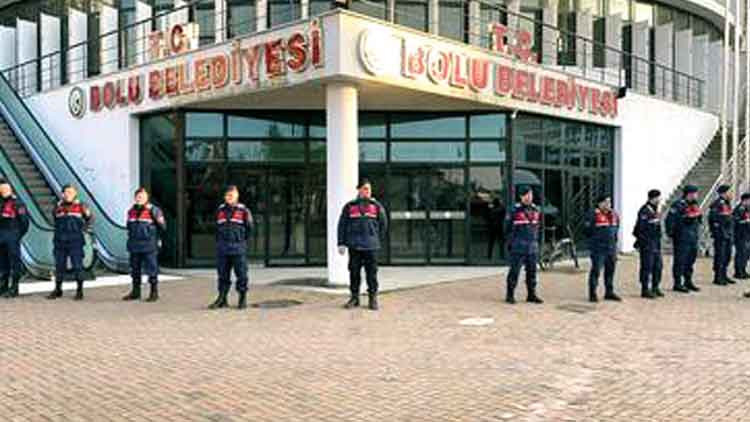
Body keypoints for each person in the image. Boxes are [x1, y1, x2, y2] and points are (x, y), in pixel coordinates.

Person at [337, 178, 388, 310]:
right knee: (354, 273)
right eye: (365, 188)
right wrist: (341, 243)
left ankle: (373, 298)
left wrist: (376, 239)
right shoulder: (350, 206)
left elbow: (383, 224)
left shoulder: (376, 206)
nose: (368, 191)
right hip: (355, 246)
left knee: (372, 274)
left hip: (371, 246)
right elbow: (342, 225)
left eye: (369, 189)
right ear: (359, 190)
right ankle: (354, 298)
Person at [209, 185, 254, 310]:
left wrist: (242, 242)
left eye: (232, 195)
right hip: (223, 248)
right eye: (227, 195)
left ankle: (242, 298)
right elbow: (216, 228)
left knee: (242, 274)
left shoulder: (243, 211)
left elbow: (249, 228)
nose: (229, 197)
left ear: (237, 196)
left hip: (238, 248)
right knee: (222, 275)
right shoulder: (220, 210)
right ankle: (222, 299)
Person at [48, 185, 93, 300]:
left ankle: (79, 290)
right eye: (66, 192)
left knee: (77, 266)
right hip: (60, 241)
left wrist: (82, 230)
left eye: (71, 192)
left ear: (75, 194)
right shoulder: (57, 206)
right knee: (59, 266)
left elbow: (90, 219)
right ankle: (58, 289)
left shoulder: (82, 206)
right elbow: (54, 219)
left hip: (75, 241)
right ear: (63, 194)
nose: (68, 194)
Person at [122, 188, 166, 302]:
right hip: (134, 245)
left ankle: (154, 292)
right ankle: (135, 292)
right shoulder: (131, 211)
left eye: (142, 196)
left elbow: (162, 226)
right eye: (138, 197)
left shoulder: (154, 210)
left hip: (149, 245)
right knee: (135, 269)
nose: (139, 199)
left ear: (147, 198)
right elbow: (129, 227)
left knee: (152, 269)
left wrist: (157, 240)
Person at [504, 185, 543, 304]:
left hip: (532, 247)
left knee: (532, 272)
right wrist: (511, 243)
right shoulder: (514, 210)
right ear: (521, 196)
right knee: (514, 272)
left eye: (530, 194)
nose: (528, 197)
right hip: (518, 246)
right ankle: (510, 295)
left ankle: (531, 294)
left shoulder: (536, 210)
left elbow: (538, 228)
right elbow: (506, 229)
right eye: (526, 195)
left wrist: (537, 243)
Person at [584, 194, 621, 302]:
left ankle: (609, 292)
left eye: (609, 202)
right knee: (596, 270)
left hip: (611, 247)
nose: (609, 204)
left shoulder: (614, 215)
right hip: (598, 248)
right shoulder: (593, 214)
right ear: (600, 203)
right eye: (606, 202)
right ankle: (592, 293)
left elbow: (616, 229)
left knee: (610, 270)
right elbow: (587, 231)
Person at [665, 185, 702, 293]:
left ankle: (688, 281)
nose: (696, 195)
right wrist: (671, 234)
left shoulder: (694, 204)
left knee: (690, 260)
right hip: (682, 236)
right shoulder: (678, 205)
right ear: (689, 194)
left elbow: (698, 218)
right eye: (695, 193)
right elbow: (670, 220)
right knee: (680, 260)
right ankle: (677, 283)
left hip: (693, 236)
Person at [0, 180, 28, 298]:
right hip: (1, 237)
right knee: (2, 263)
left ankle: (14, 288)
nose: (4, 191)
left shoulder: (18, 204)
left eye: (6, 189)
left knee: (14, 263)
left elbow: (25, 223)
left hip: (13, 236)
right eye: (2, 189)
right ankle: (3, 286)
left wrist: (17, 236)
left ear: (10, 189)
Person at [633, 189, 663, 299]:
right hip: (647, 243)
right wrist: (642, 242)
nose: (659, 200)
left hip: (656, 242)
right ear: (653, 198)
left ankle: (655, 287)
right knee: (647, 266)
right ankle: (645, 289)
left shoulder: (655, 210)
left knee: (658, 266)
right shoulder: (645, 211)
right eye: (658, 198)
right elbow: (640, 229)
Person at [708, 184, 735, 285]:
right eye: (729, 192)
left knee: (727, 255)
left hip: (728, 233)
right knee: (720, 255)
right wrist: (716, 232)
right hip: (721, 234)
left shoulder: (727, 204)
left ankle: (724, 274)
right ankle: (718, 276)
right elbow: (713, 219)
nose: (731, 194)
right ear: (724, 193)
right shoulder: (717, 204)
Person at [733, 193, 750, 279]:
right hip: (740, 234)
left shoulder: (747, 209)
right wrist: (745, 221)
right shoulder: (739, 209)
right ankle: (738, 272)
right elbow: (735, 221)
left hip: (746, 234)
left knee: (746, 254)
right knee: (741, 253)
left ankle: (743, 270)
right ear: (745, 200)